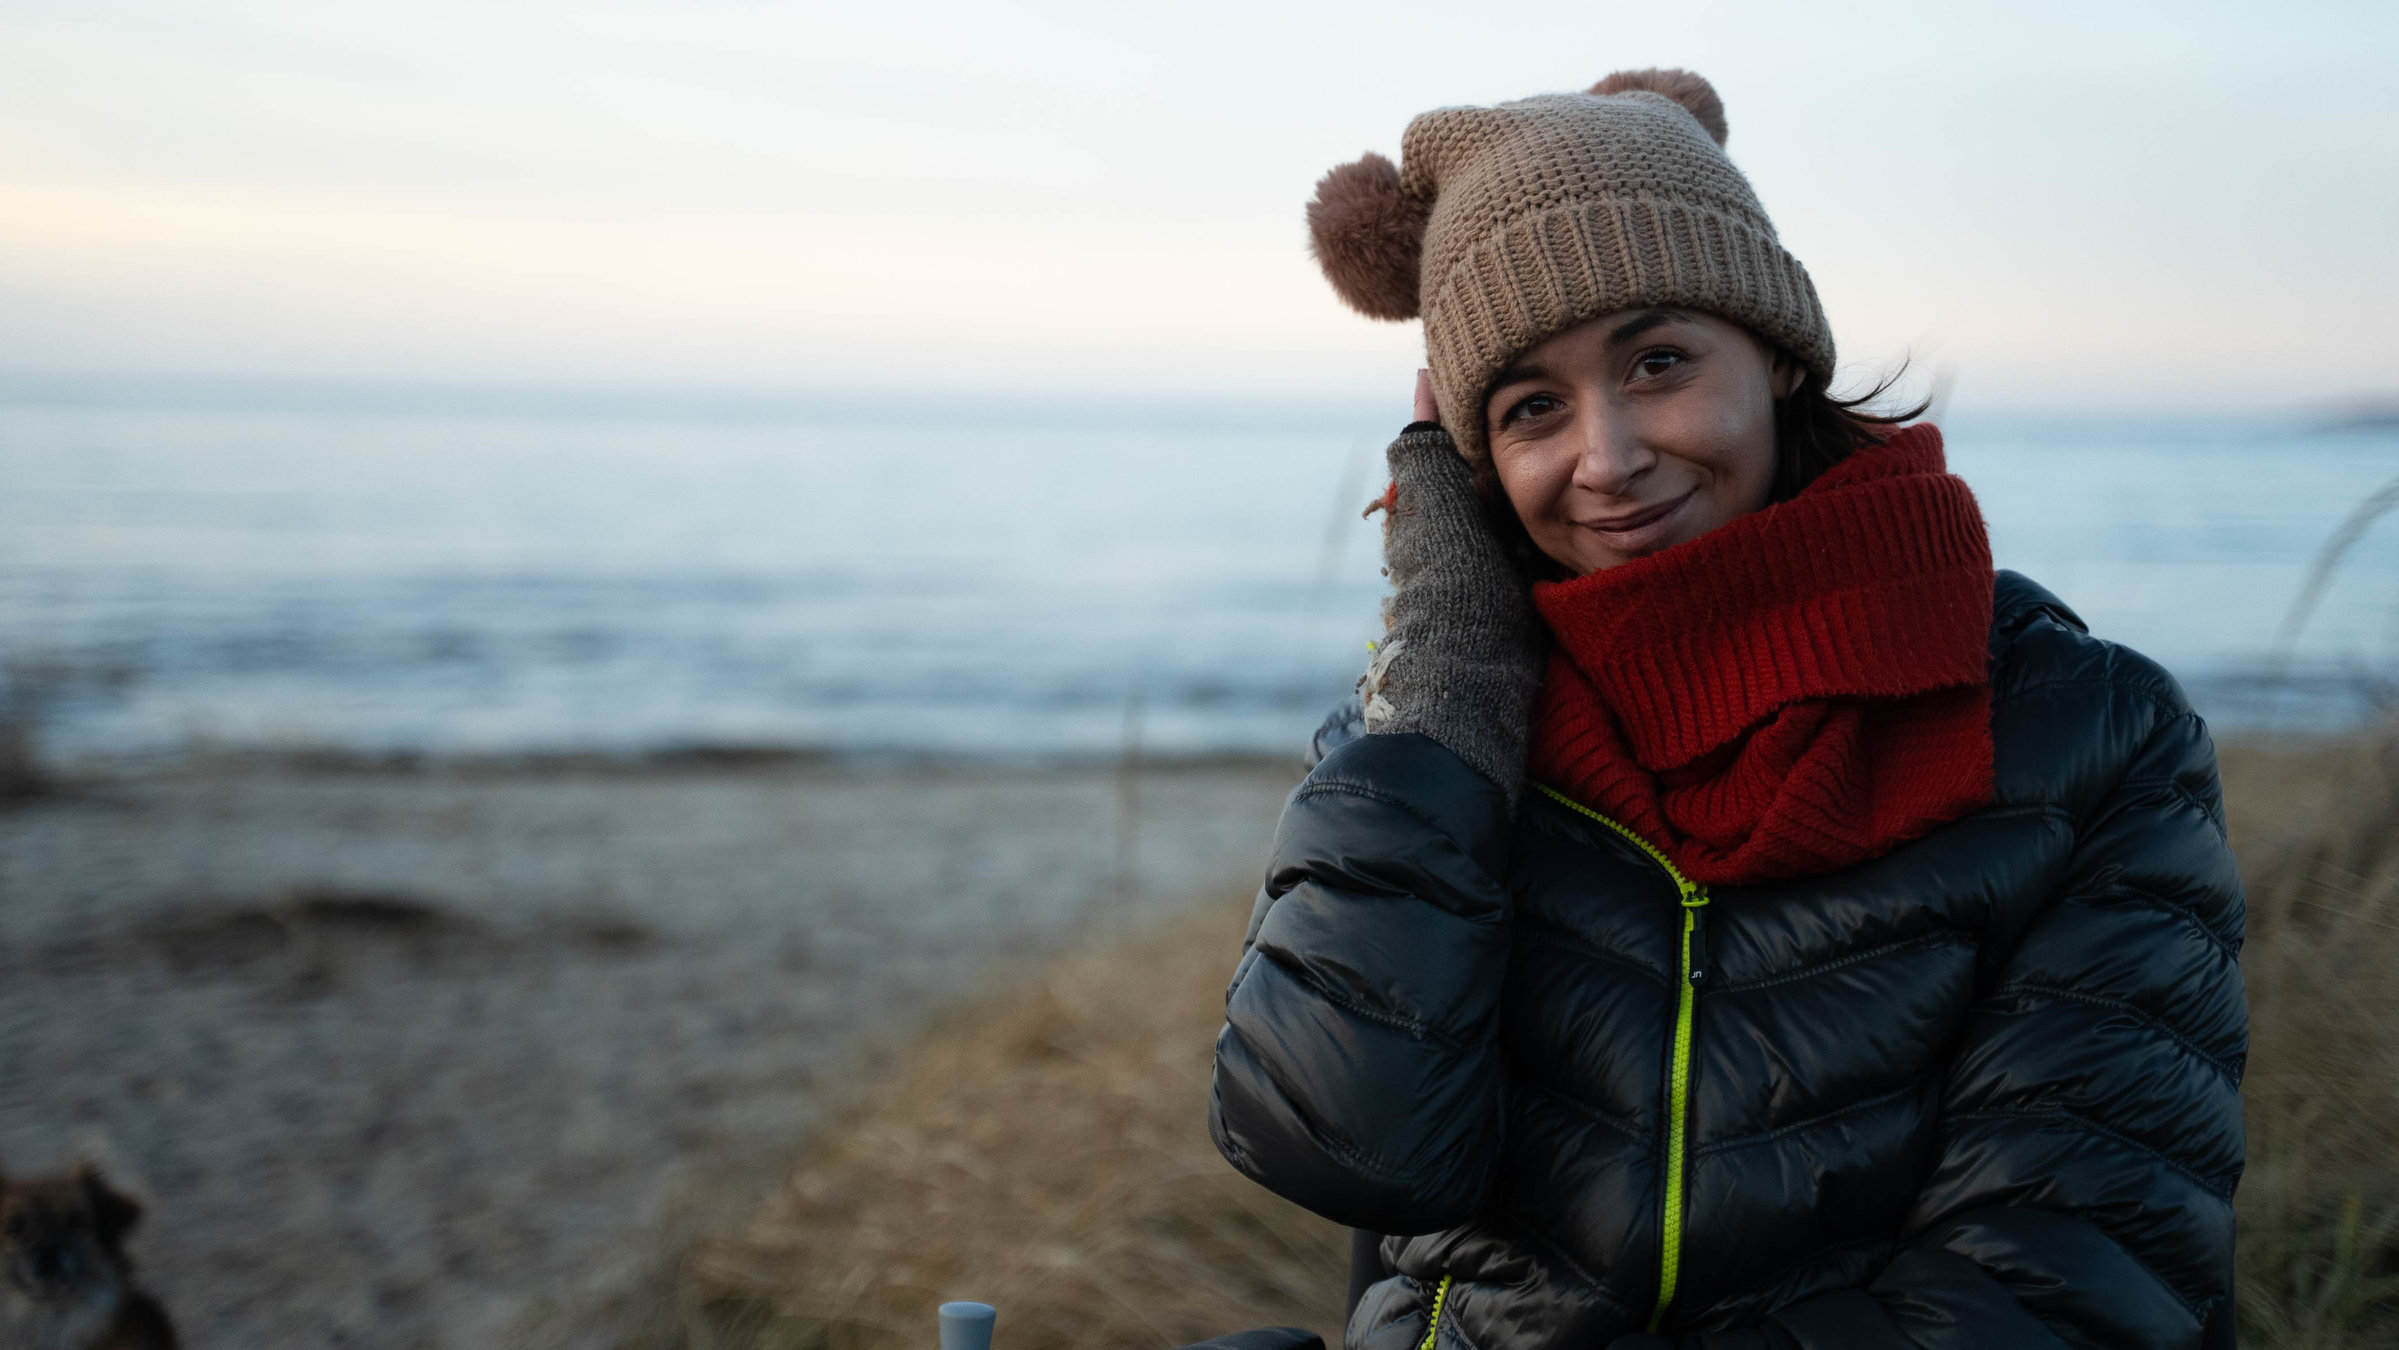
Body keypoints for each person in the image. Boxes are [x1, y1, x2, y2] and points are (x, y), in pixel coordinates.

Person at [1207, 69, 2246, 1349]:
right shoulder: (1432, 736)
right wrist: (1441, 673)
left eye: (1656, 361)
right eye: (1531, 407)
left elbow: (2056, 1295)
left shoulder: (2080, 734)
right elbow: (1346, 1150)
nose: (1606, 456)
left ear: (1777, 358)